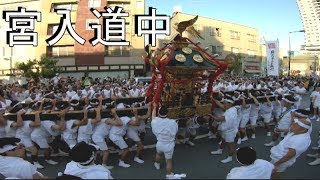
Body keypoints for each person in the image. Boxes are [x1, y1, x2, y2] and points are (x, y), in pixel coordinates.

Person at [151, 103, 186, 179]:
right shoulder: (173, 122)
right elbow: (175, 132)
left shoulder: (155, 121)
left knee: (158, 153)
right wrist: (176, 123)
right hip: (169, 145)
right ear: (167, 113)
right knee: (169, 161)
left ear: (158, 113)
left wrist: (154, 107)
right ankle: (169, 175)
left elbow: (153, 115)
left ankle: (157, 164)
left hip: (159, 143)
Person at [210, 97, 239, 164]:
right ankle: (220, 150)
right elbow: (221, 105)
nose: (224, 105)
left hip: (230, 131)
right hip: (227, 130)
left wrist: (210, 115)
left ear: (230, 104)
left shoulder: (229, 112)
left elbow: (218, 119)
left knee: (230, 145)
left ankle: (230, 158)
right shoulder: (232, 108)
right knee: (223, 140)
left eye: (225, 103)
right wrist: (213, 98)